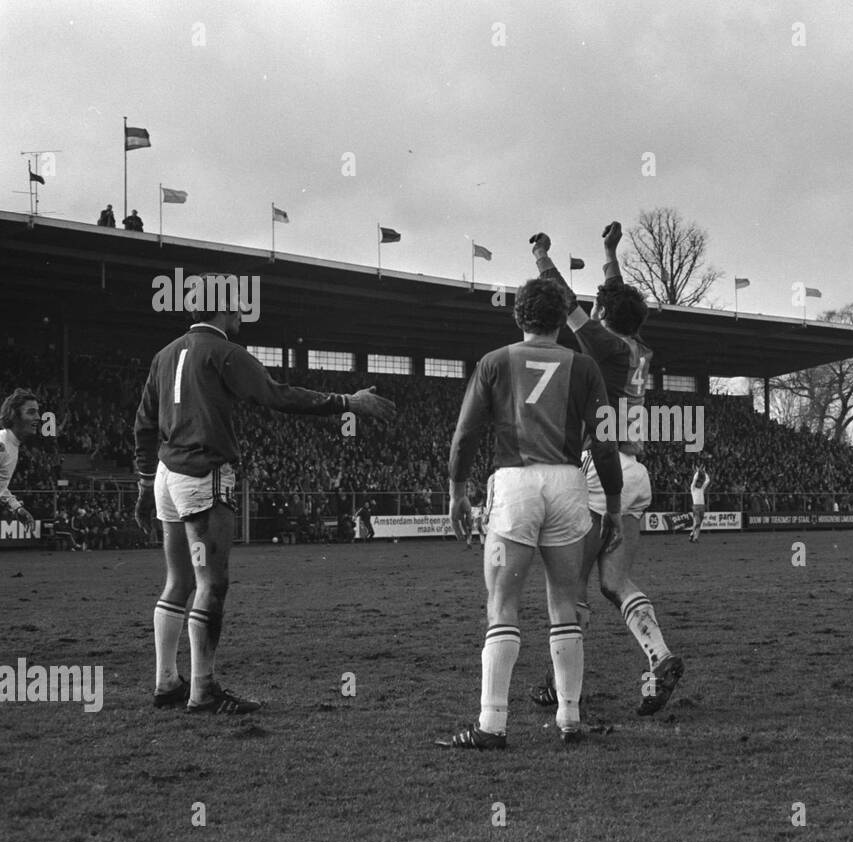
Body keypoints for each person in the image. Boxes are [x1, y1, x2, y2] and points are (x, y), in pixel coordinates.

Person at [134, 272, 395, 714]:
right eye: (237, 307)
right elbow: (277, 395)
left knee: (177, 581)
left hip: (166, 475)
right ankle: (203, 689)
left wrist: (144, 484)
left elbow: (143, 424)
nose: (241, 313)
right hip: (203, 473)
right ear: (222, 310)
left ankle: (166, 683)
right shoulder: (226, 352)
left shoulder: (165, 355)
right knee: (210, 584)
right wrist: (348, 403)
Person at [437, 277, 623, 749]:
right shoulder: (583, 366)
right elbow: (603, 441)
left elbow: (464, 436)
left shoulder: (494, 362)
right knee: (564, 601)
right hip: (567, 484)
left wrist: (458, 491)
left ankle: (492, 725)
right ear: (562, 318)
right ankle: (569, 719)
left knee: (502, 602)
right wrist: (615, 506)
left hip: (515, 484)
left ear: (518, 316)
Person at [526, 223, 685, 716]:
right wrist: (609, 254)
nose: (592, 312)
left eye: (599, 310)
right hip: (636, 472)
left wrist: (540, 257)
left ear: (605, 319)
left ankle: (562, 688)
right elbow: (616, 303)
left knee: (570, 588)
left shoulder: (608, 347)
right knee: (615, 583)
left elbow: (565, 302)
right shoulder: (637, 348)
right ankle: (659, 656)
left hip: (602, 471)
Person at [0, 389, 41, 535]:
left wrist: (16, 506)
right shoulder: (2, 445)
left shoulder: (12, 445)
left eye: (37, 412)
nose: (38, 417)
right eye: (31, 412)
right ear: (14, 415)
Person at [688, 466, 710, 543]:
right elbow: (694, 480)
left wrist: (704, 472)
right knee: (697, 523)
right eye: (699, 482)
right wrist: (698, 472)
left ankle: (695, 538)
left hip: (702, 507)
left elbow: (707, 480)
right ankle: (691, 534)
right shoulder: (693, 489)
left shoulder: (701, 489)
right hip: (696, 507)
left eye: (700, 483)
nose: (699, 483)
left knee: (698, 523)